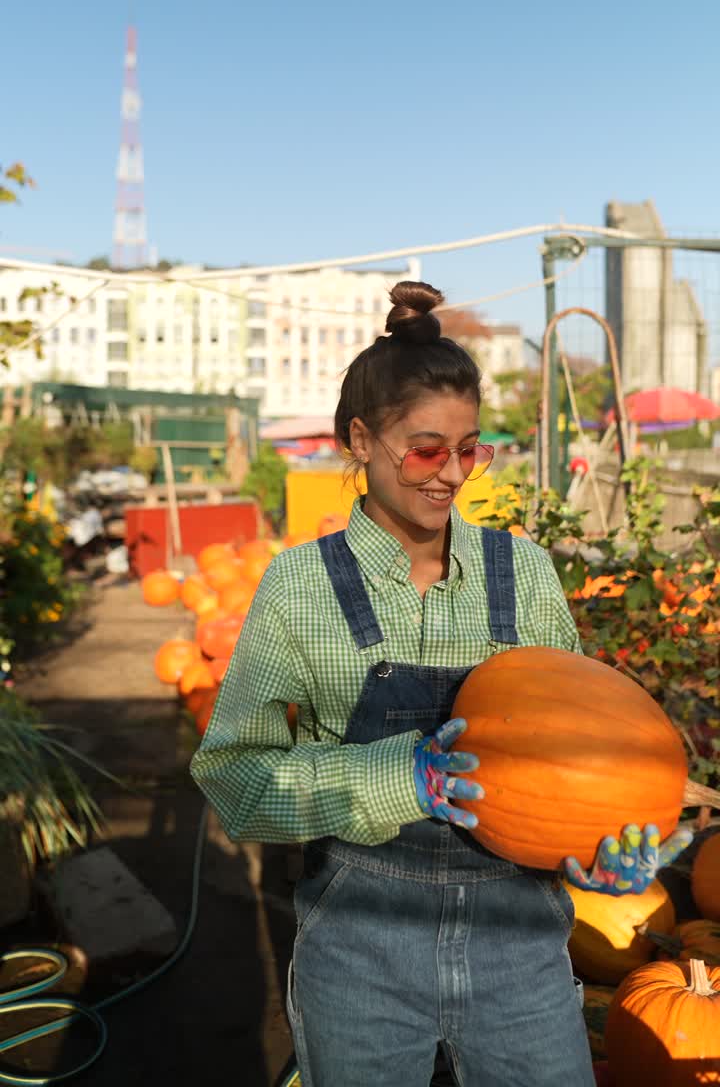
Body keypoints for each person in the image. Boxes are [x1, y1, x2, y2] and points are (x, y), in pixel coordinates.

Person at [191, 281, 691, 1087]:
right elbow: (236, 781)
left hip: (520, 956)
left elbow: (576, 759)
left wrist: (590, 855)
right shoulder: (299, 589)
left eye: (470, 449)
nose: (451, 474)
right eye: (426, 449)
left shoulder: (523, 573)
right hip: (359, 955)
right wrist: (401, 777)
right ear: (360, 439)